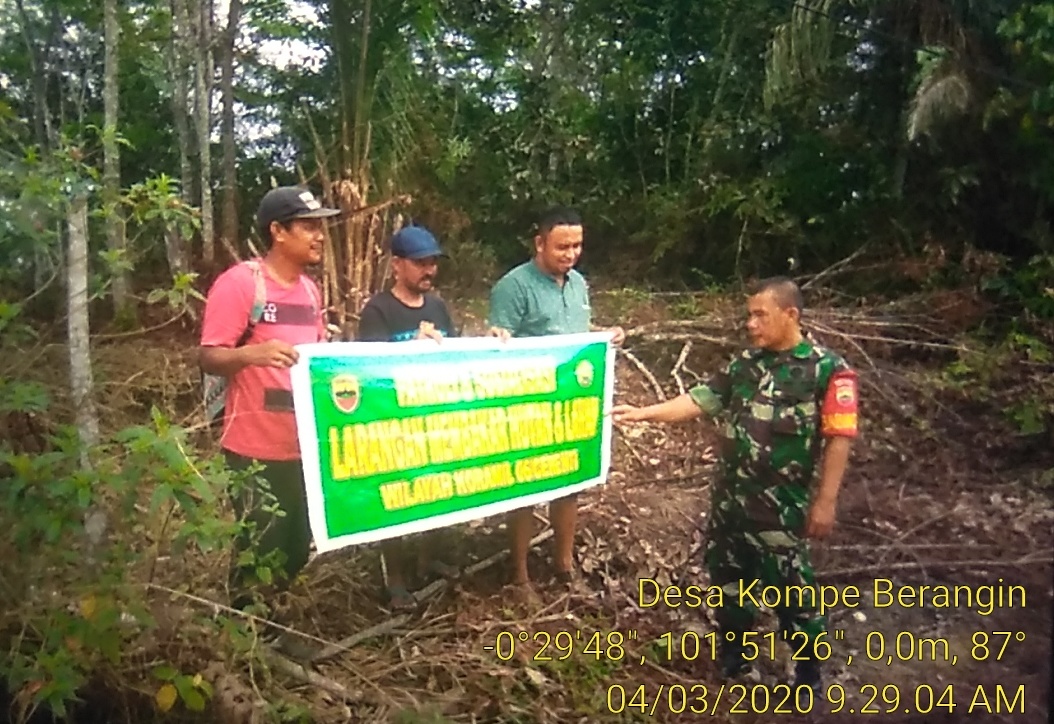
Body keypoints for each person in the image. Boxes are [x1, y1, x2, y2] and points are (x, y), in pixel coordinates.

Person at [612, 277, 858, 694]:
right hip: (731, 504)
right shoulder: (746, 365)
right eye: (749, 315)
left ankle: (808, 673)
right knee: (729, 586)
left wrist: (826, 501)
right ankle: (735, 659)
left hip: (779, 509)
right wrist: (643, 413)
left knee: (793, 595)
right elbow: (699, 399)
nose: (750, 324)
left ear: (790, 315)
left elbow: (840, 437)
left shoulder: (828, 370)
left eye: (760, 315)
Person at [199, 186, 340, 617]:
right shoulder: (242, 284)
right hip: (253, 448)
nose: (319, 236)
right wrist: (251, 355)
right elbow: (208, 355)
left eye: (319, 226)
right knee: (260, 544)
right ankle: (247, 633)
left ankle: (269, 622)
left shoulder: (310, 292)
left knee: (298, 543)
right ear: (278, 231)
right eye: (308, 226)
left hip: (302, 444)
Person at [487, 206, 625, 595]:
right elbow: (497, 343)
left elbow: (574, 332)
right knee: (526, 487)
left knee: (570, 482)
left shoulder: (578, 283)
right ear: (540, 243)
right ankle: (519, 576)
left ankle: (564, 566)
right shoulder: (513, 287)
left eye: (577, 245)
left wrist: (606, 335)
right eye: (562, 246)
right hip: (528, 404)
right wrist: (495, 338)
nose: (571, 254)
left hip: (571, 404)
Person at [356, 225, 463, 610]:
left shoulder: (438, 308)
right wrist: (409, 351)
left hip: (433, 416)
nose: (429, 270)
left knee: (436, 486)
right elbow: (370, 372)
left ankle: (428, 557)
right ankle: (395, 579)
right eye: (420, 263)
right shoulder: (378, 310)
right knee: (396, 497)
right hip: (395, 422)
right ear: (397, 265)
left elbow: (457, 353)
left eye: (432, 262)